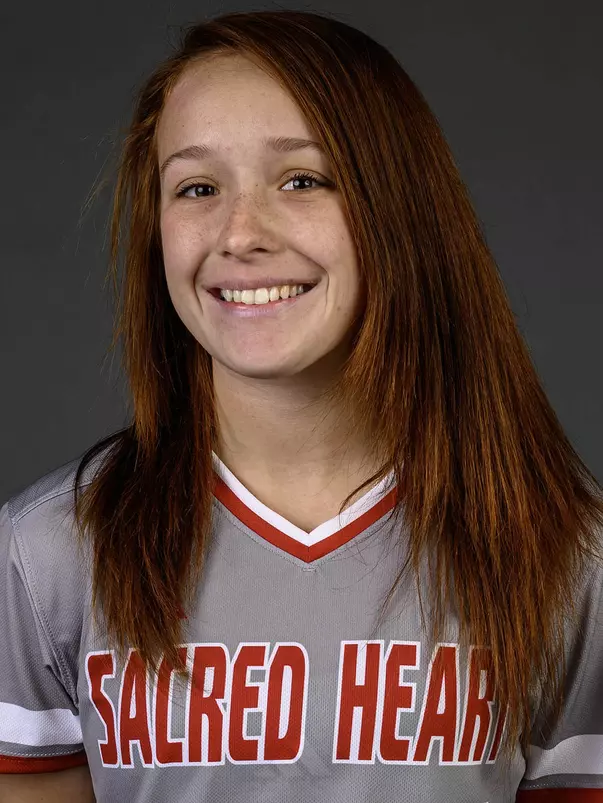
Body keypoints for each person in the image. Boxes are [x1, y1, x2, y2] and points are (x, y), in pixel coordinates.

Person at [1, 9, 602, 803]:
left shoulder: (562, 550)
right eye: (197, 187)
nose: (239, 232)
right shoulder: (47, 553)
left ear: (400, 209)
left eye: (302, 179)